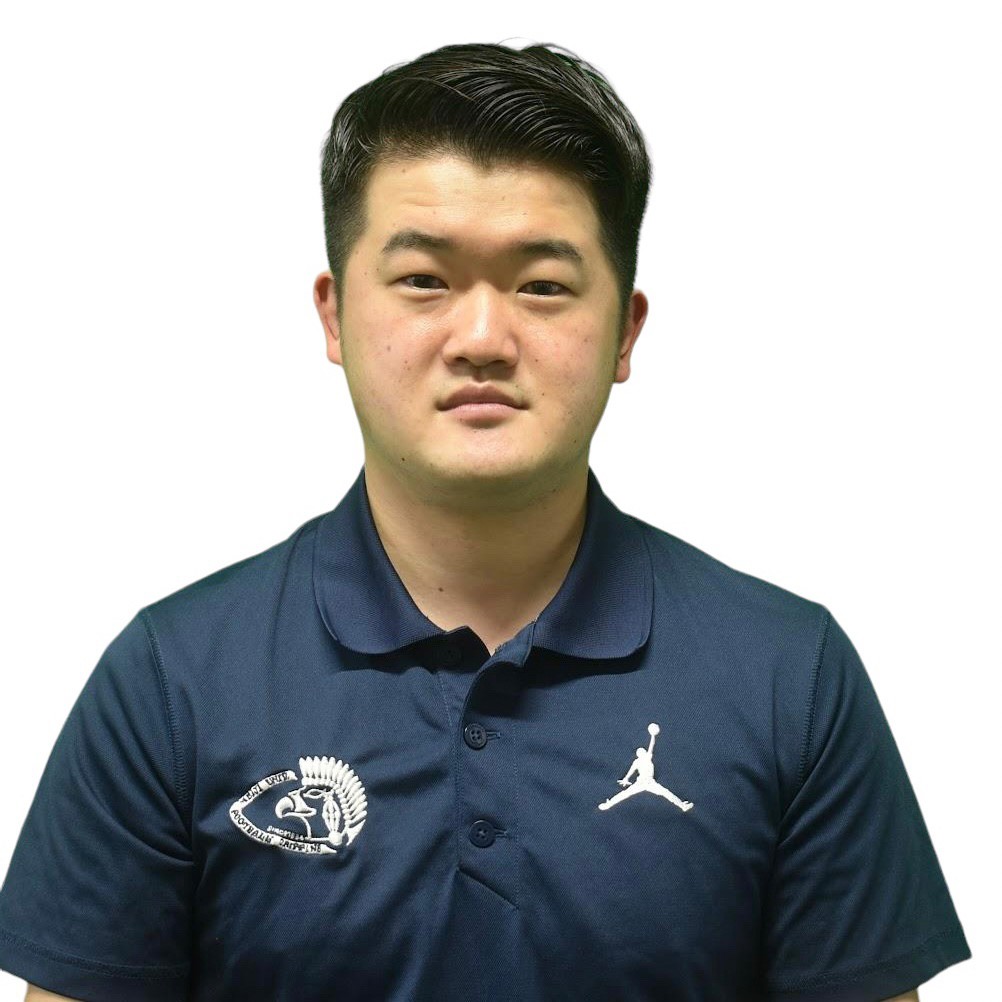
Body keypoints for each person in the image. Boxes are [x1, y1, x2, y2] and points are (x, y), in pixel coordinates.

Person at [0, 39, 971, 1002]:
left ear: (625, 331)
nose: (481, 339)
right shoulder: (174, 680)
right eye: (425, 279)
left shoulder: (787, 677)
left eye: (541, 286)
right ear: (334, 316)